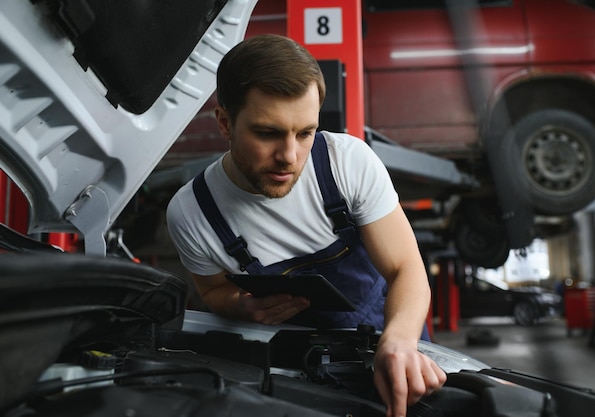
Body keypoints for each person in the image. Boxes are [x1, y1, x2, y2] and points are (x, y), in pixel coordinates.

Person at [166, 34, 446, 417]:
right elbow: (212, 292)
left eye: (305, 132)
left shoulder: (346, 163)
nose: (290, 156)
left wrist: (399, 341)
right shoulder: (193, 212)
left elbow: (406, 268)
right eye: (268, 133)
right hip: (296, 370)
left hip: (393, 339)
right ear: (225, 123)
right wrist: (242, 307)